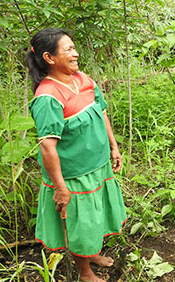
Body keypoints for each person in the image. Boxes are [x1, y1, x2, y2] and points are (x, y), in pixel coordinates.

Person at [27, 28, 127, 282]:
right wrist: (60, 187)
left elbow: (101, 112)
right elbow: (48, 146)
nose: (76, 53)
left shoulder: (83, 79)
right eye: (69, 49)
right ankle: (85, 272)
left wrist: (113, 147)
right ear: (49, 58)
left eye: (74, 48)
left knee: (95, 216)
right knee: (80, 223)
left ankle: (91, 253)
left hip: (97, 165)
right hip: (74, 175)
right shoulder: (48, 97)